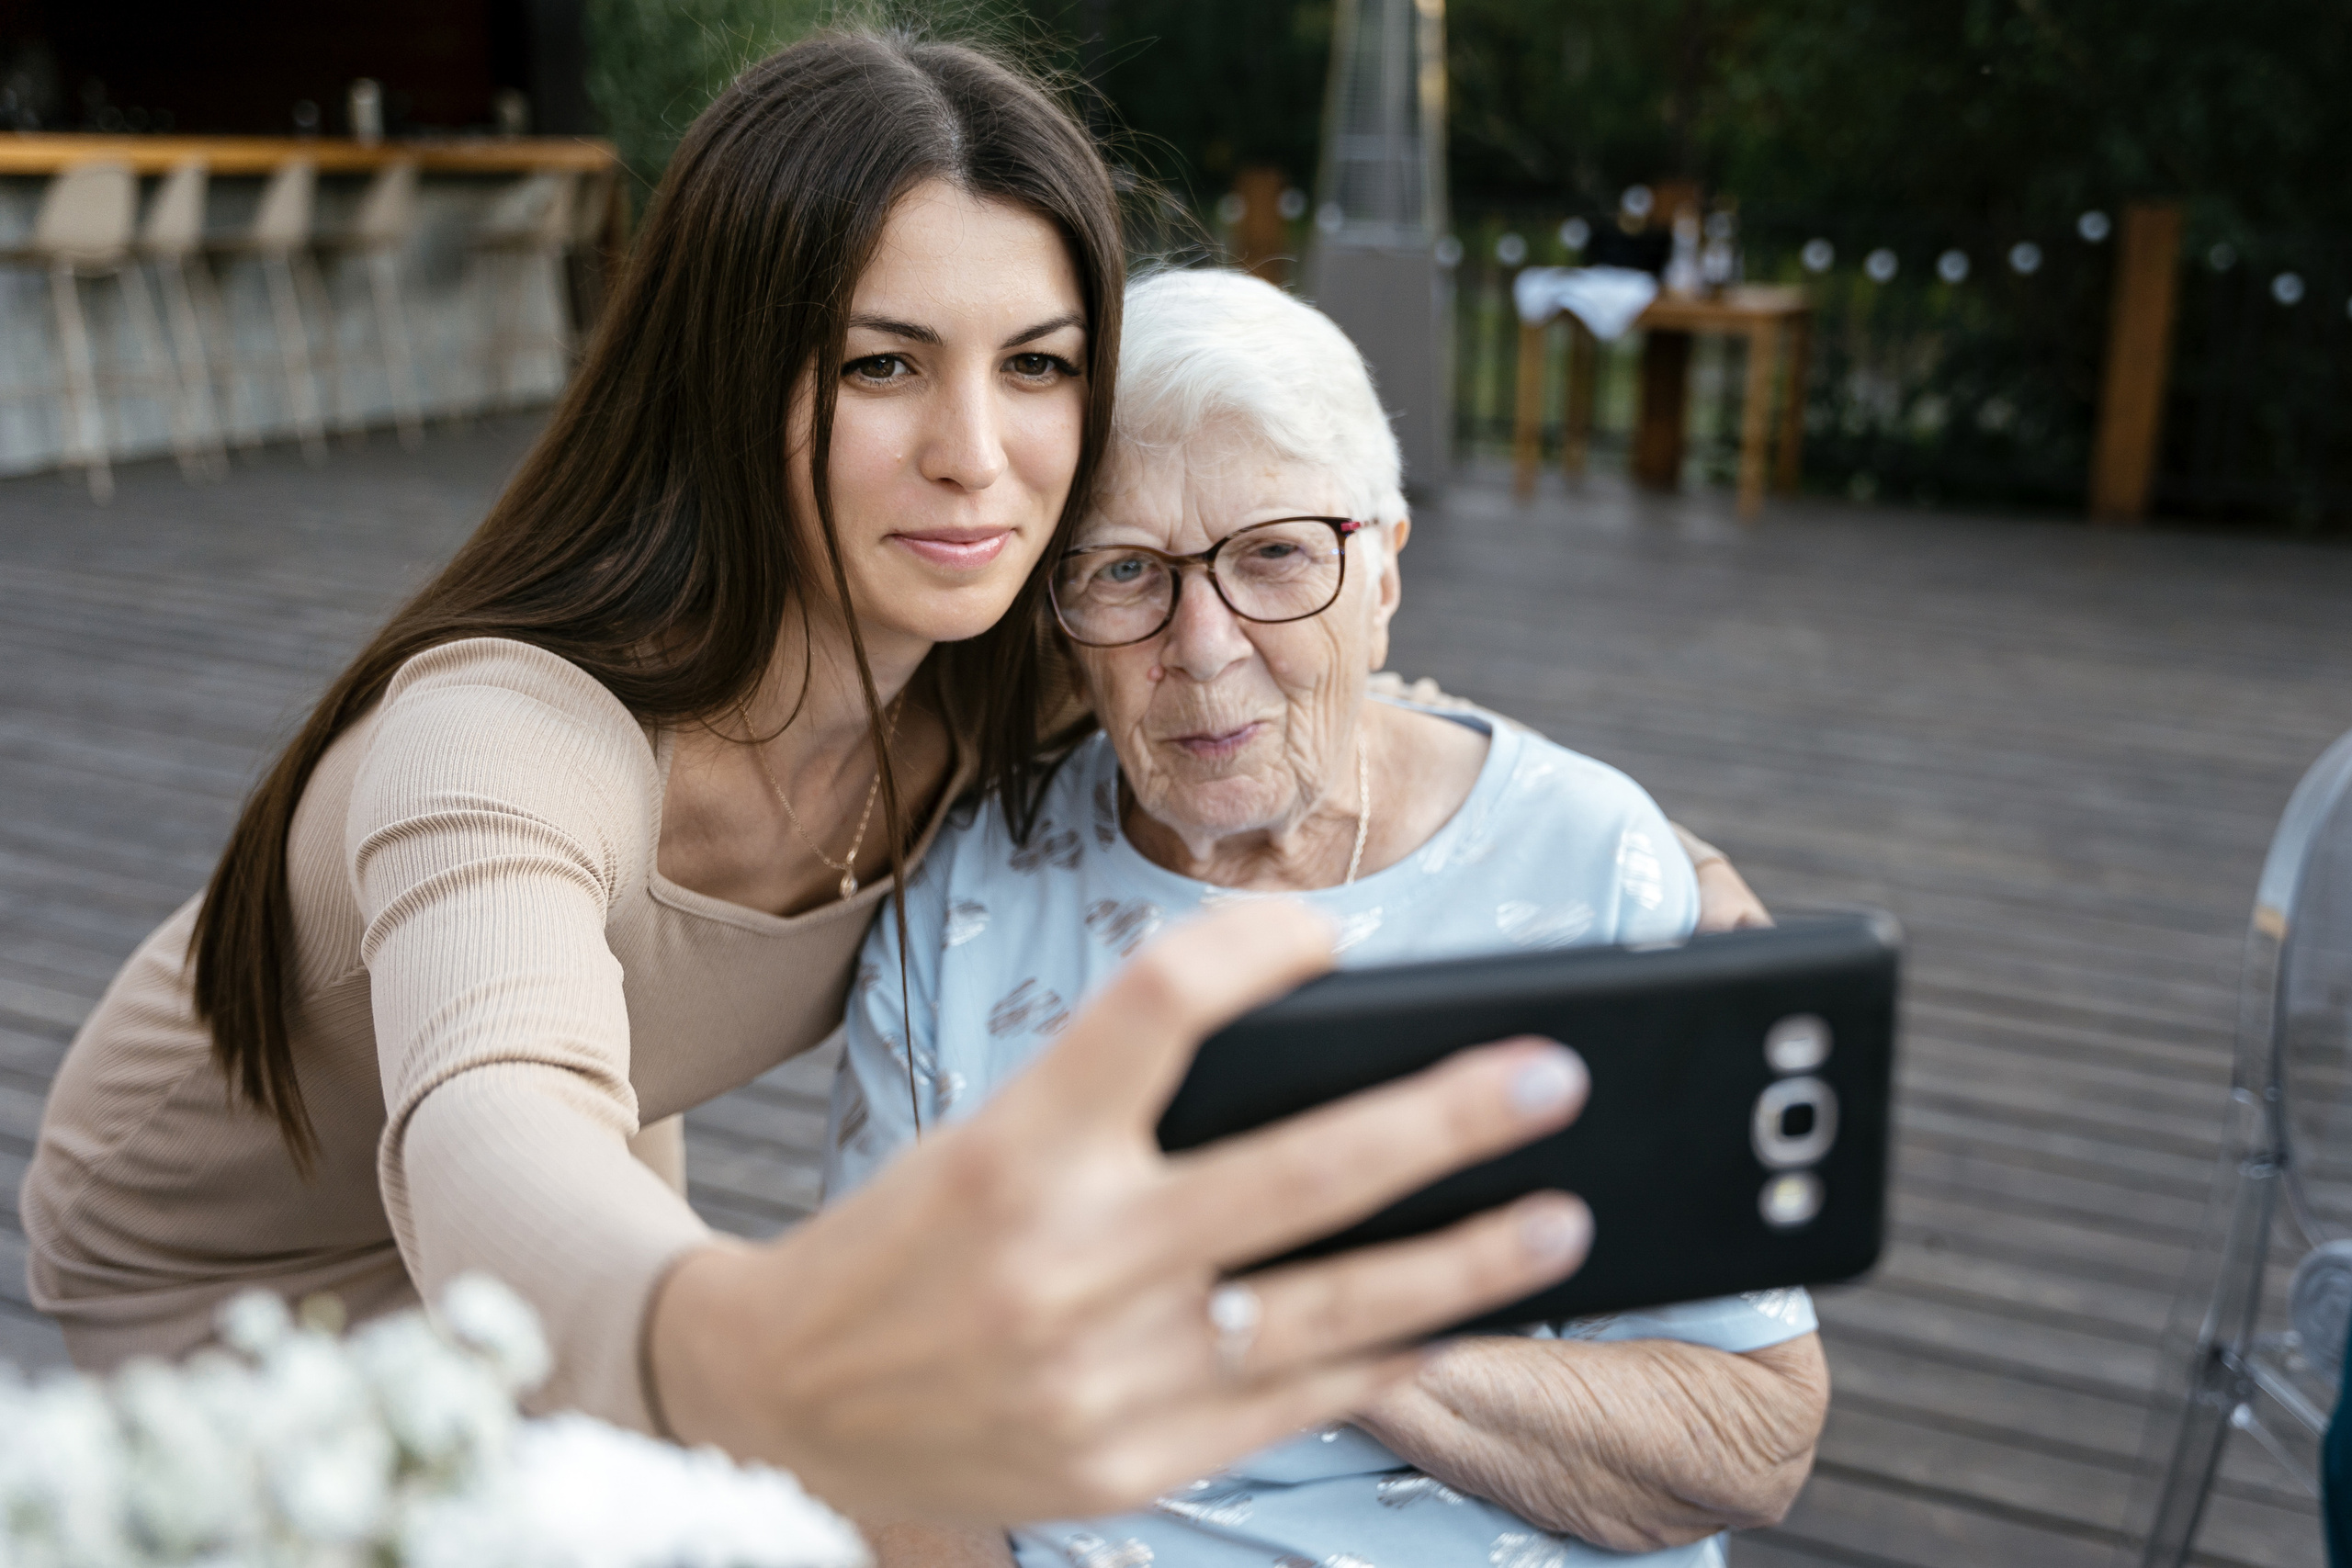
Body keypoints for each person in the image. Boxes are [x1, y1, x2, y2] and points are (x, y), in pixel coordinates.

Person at [19, 34, 1614, 1526]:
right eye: (881, 366)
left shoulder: (1007, 666)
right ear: (730, 374)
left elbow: (1304, 682)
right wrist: (741, 1338)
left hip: (611, 1186)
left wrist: (1670, 872)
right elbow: (492, 1125)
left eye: (1041, 365)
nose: (977, 454)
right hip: (249, 1267)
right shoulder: (500, 731)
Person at [825, 269, 1827, 1567]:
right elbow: (889, 1432)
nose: (1204, 644)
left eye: (1277, 556)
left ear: (1384, 575)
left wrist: (1289, 1304)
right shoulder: (961, 904)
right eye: (1126, 571)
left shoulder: (1595, 871)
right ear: (1059, 612)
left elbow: (1749, 1440)